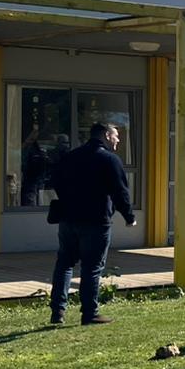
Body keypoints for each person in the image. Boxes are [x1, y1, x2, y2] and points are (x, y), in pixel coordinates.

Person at [48, 121, 135, 326]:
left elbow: (55, 181)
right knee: (92, 267)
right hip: (96, 220)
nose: (118, 140)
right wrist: (129, 216)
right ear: (106, 135)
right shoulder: (109, 159)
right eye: (116, 135)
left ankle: (58, 311)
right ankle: (90, 313)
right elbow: (120, 191)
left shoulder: (71, 157)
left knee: (64, 264)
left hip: (68, 218)